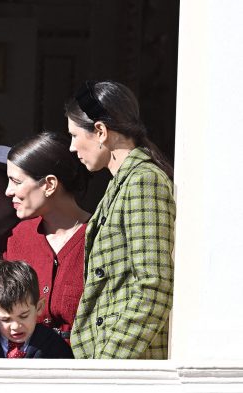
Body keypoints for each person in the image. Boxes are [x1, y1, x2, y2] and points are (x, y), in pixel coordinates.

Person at [66, 80, 175, 359]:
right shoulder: (121, 185)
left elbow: (154, 285)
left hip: (128, 368)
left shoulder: (143, 181)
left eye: (74, 135)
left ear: (100, 131)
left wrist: (108, 363)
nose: (71, 147)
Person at [4, 131, 91, 344]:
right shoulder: (18, 237)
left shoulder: (99, 236)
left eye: (16, 181)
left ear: (50, 184)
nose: (8, 191)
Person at [0, 260, 73, 358]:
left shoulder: (53, 345)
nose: (16, 326)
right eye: (6, 319)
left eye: (23, 316)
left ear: (39, 307)